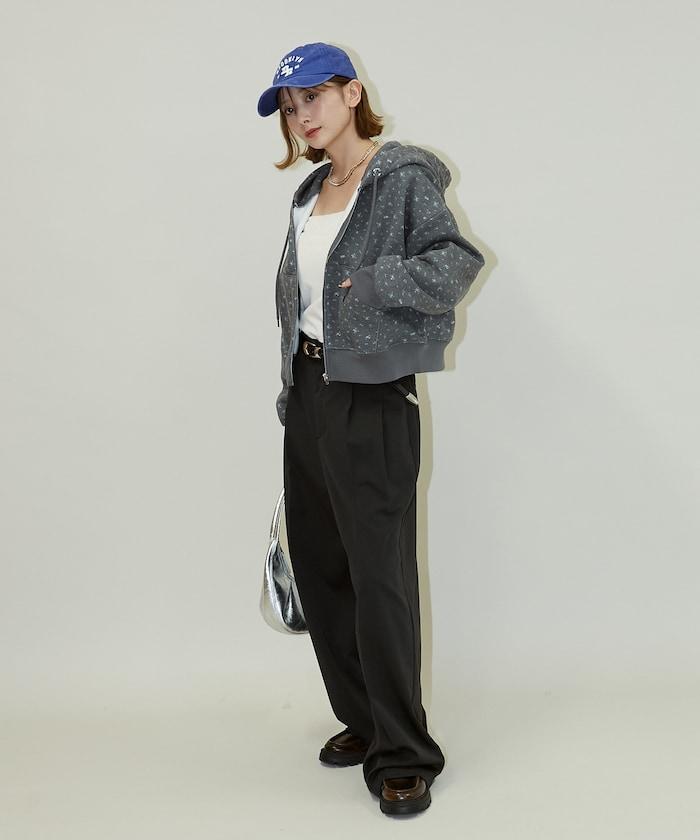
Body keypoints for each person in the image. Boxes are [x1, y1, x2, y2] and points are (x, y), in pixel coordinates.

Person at [257, 42, 485, 816]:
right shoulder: (310, 191)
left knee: (379, 579)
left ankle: (405, 753)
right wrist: (291, 388)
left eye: (314, 97)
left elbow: (455, 262)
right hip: (310, 394)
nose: (303, 117)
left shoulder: (400, 177)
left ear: (353, 93)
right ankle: (365, 718)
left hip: (372, 398)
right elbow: (299, 300)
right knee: (323, 569)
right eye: (291, 107)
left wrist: (377, 281)